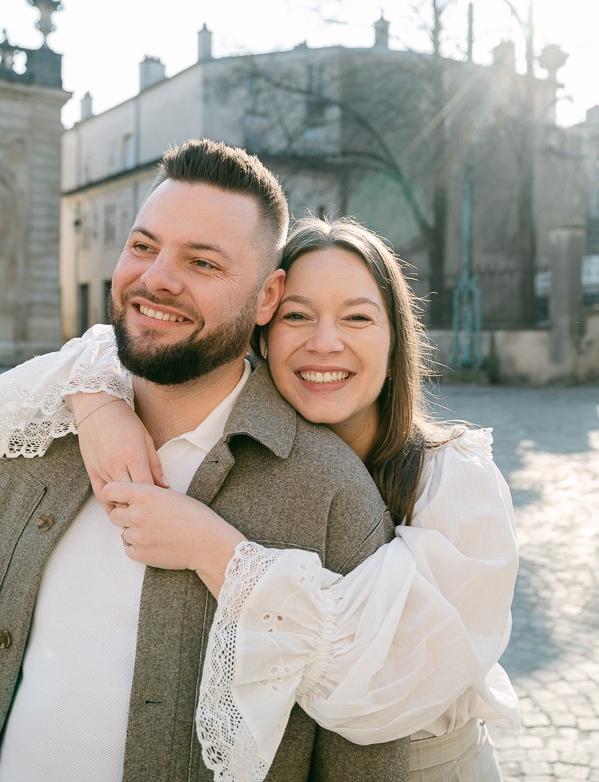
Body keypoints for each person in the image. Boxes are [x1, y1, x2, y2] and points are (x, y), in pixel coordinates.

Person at [0, 215, 520, 781]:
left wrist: (212, 548)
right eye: (298, 315)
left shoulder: (454, 482)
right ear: (263, 325)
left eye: (357, 317)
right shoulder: (249, 444)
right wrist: (97, 404)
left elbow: (382, 685)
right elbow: (99, 353)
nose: (325, 342)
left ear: (395, 339)